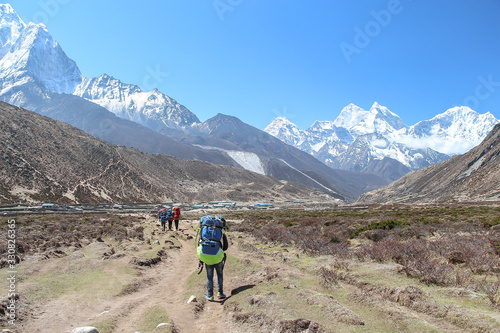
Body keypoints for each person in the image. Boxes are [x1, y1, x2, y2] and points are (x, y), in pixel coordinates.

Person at [197, 216, 228, 301]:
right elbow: (225, 247)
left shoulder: (203, 232)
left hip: (206, 256)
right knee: (219, 274)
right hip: (218, 256)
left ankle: (210, 295)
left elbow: (199, 245)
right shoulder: (221, 232)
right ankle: (220, 293)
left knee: (209, 276)